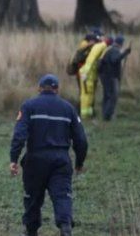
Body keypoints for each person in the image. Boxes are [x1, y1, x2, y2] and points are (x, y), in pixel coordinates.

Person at [10, 74, 88, 236]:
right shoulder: (68, 109)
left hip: (35, 160)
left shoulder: (28, 106)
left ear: (39, 88)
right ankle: (65, 226)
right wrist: (79, 163)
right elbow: (81, 140)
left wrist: (14, 159)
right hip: (60, 161)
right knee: (62, 196)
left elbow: (19, 135)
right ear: (57, 89)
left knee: (32, 199)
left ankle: (31, 230)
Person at [98, 35, 132, 121]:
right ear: (121, 43)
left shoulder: (109, 49)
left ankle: (105, 114)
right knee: (112, 96)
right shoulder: (114, 50)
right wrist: (125, 53)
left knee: (107, 96)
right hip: (111, 76)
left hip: (105, 76)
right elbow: (115, 60)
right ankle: (107, 116)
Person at [78, 32, 109, 118]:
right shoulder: (99, 47)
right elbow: (90, 61)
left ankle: (89, 113)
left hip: (90, 75)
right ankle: (84, 114)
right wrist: (85, 73)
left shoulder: (97, 47)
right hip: (87, 75)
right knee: (86, 94)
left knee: (89, 94)